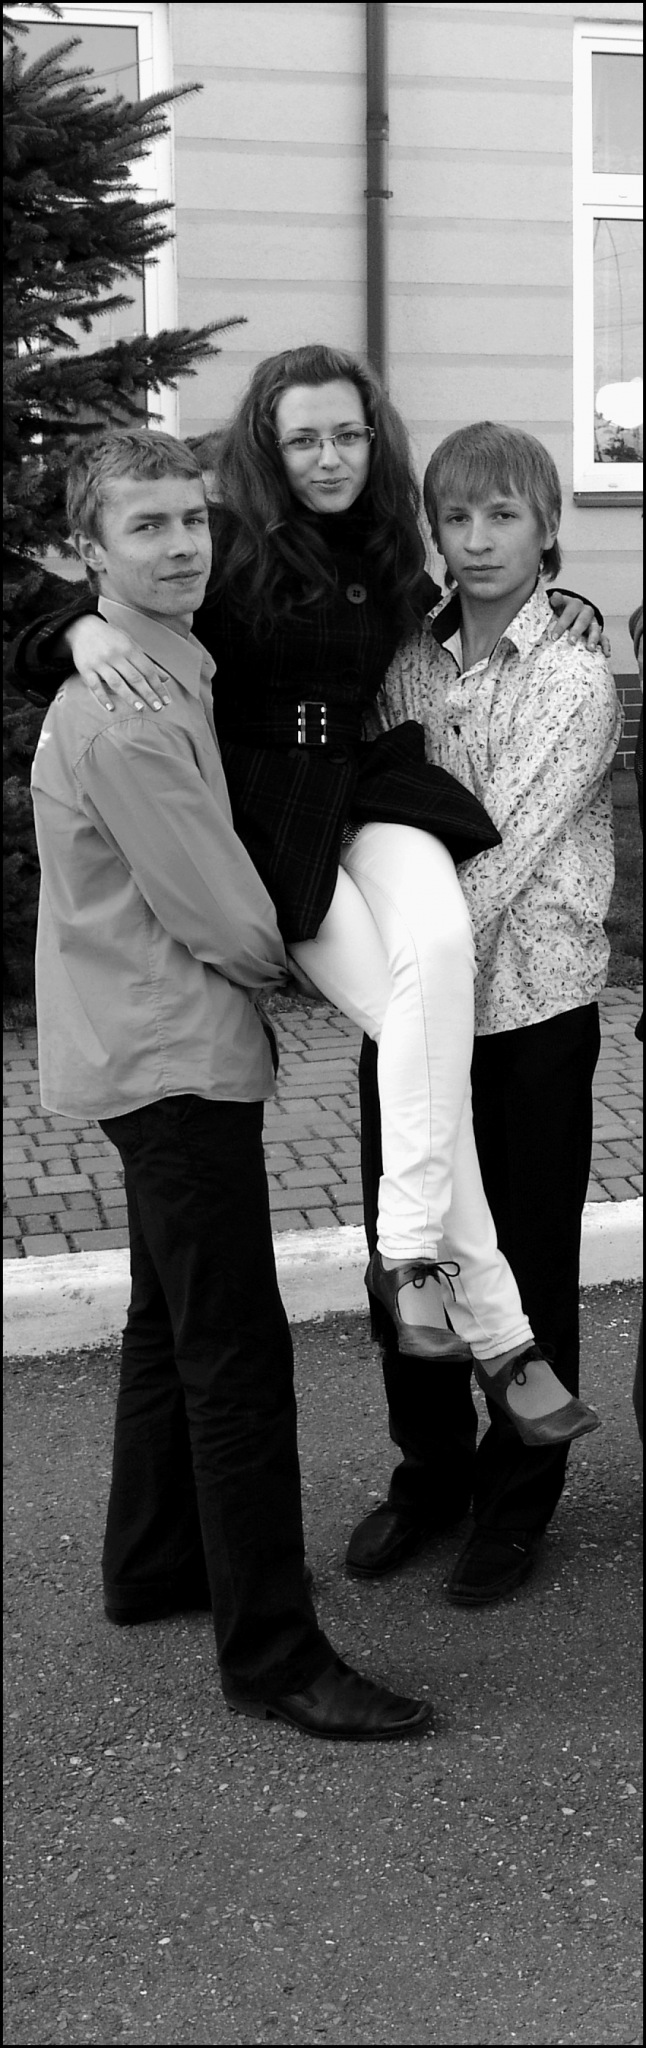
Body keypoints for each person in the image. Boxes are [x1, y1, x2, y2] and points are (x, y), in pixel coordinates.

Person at [13, 347, 605, 1445]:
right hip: (276, 822)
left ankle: (410, 1260)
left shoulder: (389, 548)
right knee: (417, 1030)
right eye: (303, 439)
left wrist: (560, 597)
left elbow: (473, 602)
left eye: (347, 434)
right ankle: (495, 1323)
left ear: (374, 440)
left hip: (369, 791)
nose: (329, 457)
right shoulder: (226, 539)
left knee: (436, 957)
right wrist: (78, 626)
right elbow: (87, 584)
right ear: (267, 447)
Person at [29, 426, 434, 1743]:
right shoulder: (133, 712)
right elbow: (223, 910)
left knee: (170, 1319)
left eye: (190, 520)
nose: (179, 546)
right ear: (88, 553)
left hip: (145, 1042)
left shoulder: (167, 658)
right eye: (143, 527)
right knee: (237, 1358)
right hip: (171, 1056)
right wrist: (310, 957)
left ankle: (154, 1561)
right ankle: (273, 1653)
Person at [349, 421, 622, 1605]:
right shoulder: (405, 657)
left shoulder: (573, 673)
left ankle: (517, 1498)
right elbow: (376, 797)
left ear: (546, 525)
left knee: (524, 1251)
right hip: (410, 1012)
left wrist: (377, 952)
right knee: (406, 1246)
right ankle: (431, 1475)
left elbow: (497, 852)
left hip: (529, 1010)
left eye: (501, 514)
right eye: (455, 516)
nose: (476, 538)